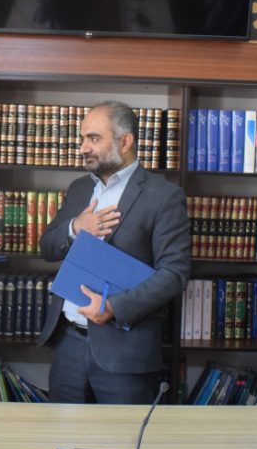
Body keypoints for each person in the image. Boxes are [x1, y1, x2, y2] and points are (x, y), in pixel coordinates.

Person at [37, 101, 190, 404]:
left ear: (125, 141)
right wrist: (75, 228)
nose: (83, 147)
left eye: (93, 138)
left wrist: (114, 307)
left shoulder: (164, 197)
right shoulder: (79, 189)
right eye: (82, 138)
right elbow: (47, 247)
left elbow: (175, 274)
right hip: (68, 344)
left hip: (125, 352)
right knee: (62, 433)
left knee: (122, 434)